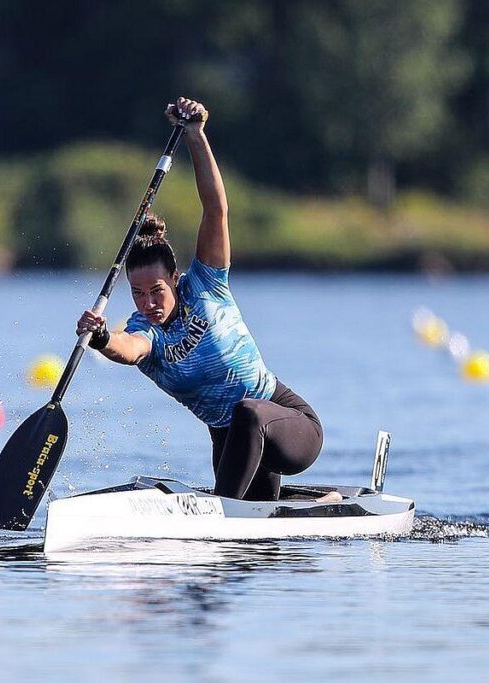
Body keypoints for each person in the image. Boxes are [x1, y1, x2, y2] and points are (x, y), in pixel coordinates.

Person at [76, 96, 325, 502]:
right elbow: (126, 348)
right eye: (137, 294)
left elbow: (216, 209)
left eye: (156, 291)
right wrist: (102, 337)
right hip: (232, 443)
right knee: (252, 545)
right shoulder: (146, 334)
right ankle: (313, 505)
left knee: (247, 412)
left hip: (288, 424)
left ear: (175, 279)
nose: (148, 303)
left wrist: (196, 136)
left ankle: (220, 515)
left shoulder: (207, 283)